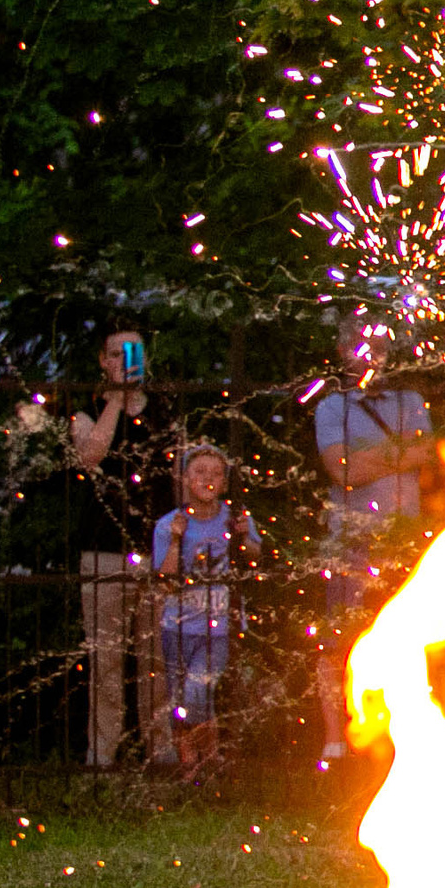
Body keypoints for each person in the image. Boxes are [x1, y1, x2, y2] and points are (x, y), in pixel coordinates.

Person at [311, 318, 431, 763]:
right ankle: (337, 739)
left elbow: (428, 454)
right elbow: (342, 470)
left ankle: (394, 739)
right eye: (362, 345)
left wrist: (369, 459)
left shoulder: (411, 400)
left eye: (379, 344)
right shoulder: (331, 408)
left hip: (403, 543)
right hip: (351, 543)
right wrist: (399, 455)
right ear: (344, 352)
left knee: (405, 643)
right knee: (342, 638)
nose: (371, 353)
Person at [69, 327, 176, 766]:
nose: (125, 361)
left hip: (154, 553)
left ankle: (162, 750)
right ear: (102, 360)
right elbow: (90, 456)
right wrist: (116, 398)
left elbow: (178, 478)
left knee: (157, 661)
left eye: (133, 352)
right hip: (104, 552)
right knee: (106, 662)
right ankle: (104, 755)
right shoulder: (86, 410)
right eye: (117, 353)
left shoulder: (165, 412)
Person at [151, 444, 257, 774]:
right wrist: (175, 539)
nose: (207, 479)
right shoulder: (168, 523)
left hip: (218, 627)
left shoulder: (236, 518)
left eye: (215, 474)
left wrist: (244, 538)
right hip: (178, 626)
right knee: (182, 700)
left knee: (198, 690)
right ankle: (193, 767)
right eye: (199, 472)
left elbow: (256, 558)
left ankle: (209, 761)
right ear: (186, 479)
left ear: (224, 483)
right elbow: (165, 578)